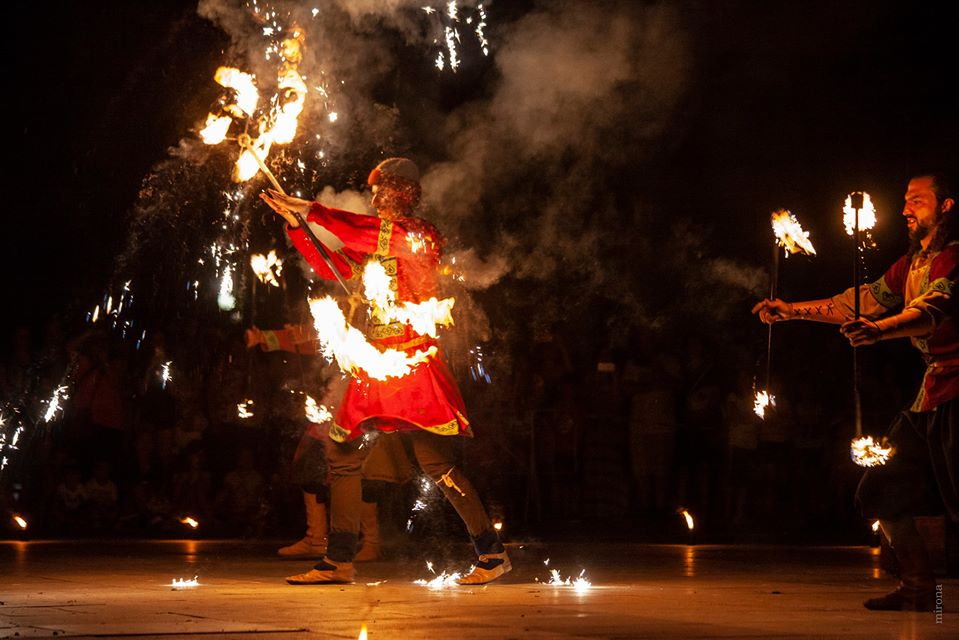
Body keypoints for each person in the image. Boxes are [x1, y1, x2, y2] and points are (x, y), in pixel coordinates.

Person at [261, 157, 510, 585]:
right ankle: (339, 559)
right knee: (340, 452)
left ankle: (491, 553)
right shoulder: (372, 243)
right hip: (373, 367)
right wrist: (298, 229)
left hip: (413, 365)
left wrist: (312, 211)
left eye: (382, 190)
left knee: (436, 463)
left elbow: (369, 233)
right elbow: (336, 268)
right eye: (373, 190)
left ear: (403, 193)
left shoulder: (419, 236)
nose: (375, 197)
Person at [752, 172, 957, 611]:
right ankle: (922, 587)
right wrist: (791, 312)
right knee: (879, 487)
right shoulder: (910, 264)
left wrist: (879, 331)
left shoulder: (953, 258)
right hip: (931, 396)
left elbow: (931, 313)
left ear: (946, 207)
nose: (906, 209)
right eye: (905, 200)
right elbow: (859, 302)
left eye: (918, 201)